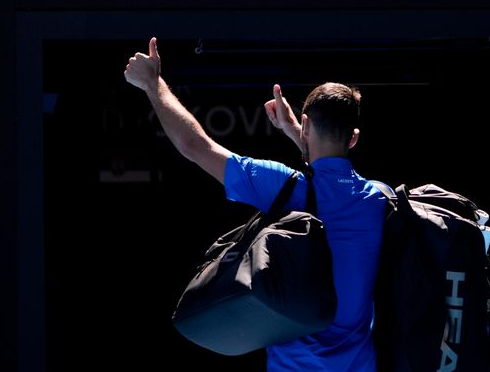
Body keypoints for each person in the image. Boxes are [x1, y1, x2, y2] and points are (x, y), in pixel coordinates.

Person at [124, 37, 387, 371]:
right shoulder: (379, 198)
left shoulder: (282, 186)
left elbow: (194, 146)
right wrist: (300, 136)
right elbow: (330, 183)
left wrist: (152, 82)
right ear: (354, 137)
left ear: (307, 125)